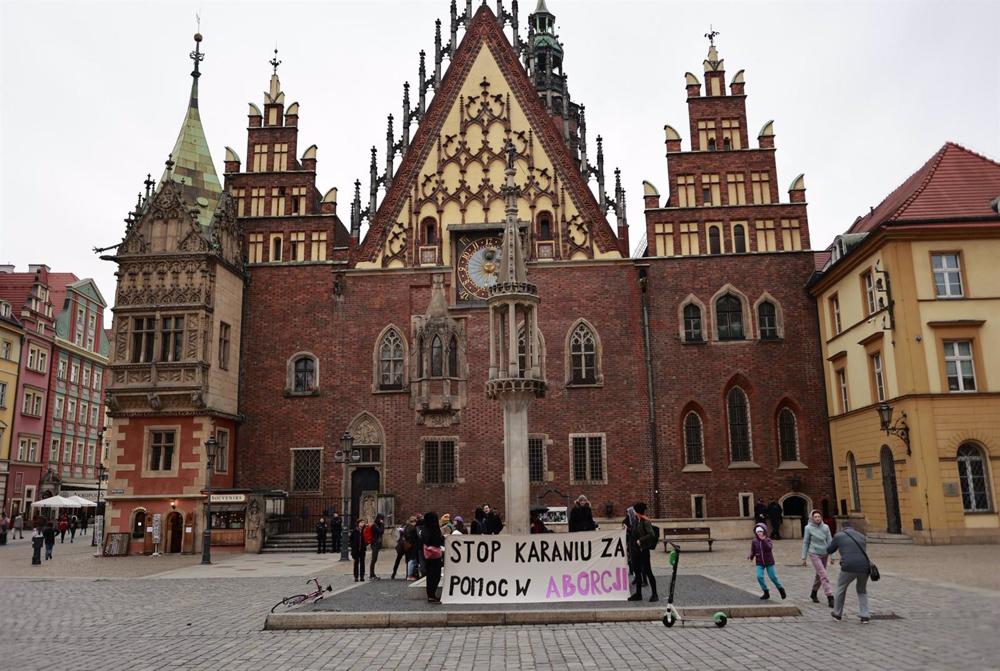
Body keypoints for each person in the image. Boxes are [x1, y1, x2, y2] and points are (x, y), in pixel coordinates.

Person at [827, 521, 872, 623]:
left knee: (841, 588)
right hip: (865, 566)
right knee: (862, 590)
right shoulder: (862, 536)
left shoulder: (839, 536)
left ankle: (837, 614)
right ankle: (865, 615)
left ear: (842, 528)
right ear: (853, 527)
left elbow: (829, 550)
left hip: (849, 566)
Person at [801, 509, 835, 607]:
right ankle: (830, 596)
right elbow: (806, 542)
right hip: (814, 553)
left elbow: (830, 541)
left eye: (819, 517)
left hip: (825, 553)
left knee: (819, 575)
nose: (817, 518)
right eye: (815, 517)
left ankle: (813, 593)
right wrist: (803, 557)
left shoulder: (826, 527)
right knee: (823, 575)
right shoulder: (808, 528)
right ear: (812, 518)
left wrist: (832, 556)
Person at [627, 502, 658, 602]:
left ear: (637, 511)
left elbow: (651, 534)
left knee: (648, 572)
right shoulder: (637, 520)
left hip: (644, 550)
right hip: (636, 550)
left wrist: (641, 540)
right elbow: (634, 532)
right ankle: (638, 594)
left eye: (635, 510)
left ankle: (654, 594)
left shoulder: (646, 521)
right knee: (637, 572)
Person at [748, 523, 785, 600]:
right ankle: (766, 591)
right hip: (759, 562)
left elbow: (769, 548)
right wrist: (751, 556)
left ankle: (780, 589)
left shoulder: (768, 540)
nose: (759, 533)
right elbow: (753, 550)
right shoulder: (754, 541)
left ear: (764, 531)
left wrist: (763, 540)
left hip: (769, 561)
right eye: (757, 532)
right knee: (759, 576)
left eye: (760, 531)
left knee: (773, 577)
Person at [422, 512, 445, 603]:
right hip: (435, 555)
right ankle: (432, 595)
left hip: (427, 554)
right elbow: (437, 541)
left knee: (430, 576)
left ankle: (430, 595)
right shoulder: (434, 529)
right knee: (435, 575)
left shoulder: (425, 528)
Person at [369, 513, 385, 580]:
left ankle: (372, 574)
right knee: (373, 559)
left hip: (376, 544)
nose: (382, 520)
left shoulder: (377, 525)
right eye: (382, 519)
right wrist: (382, 524)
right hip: (374, 544)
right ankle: (371, 575)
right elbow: (381, 531)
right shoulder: (374, 526)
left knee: (374, 559)